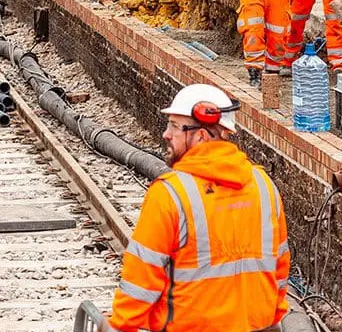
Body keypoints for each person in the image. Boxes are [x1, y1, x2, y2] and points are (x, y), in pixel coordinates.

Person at [109, 83, 290, 332]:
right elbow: (280, 267)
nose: (166, 134)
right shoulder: (263, 185)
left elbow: (142, 276)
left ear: (202, 136)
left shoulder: (170, 194)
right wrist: (274, 314)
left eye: (175, 126)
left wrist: (119, 326)